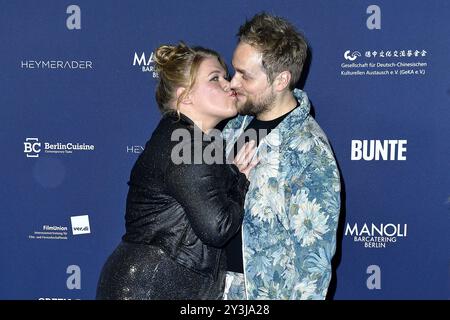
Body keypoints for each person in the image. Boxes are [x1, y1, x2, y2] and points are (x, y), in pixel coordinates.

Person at [96, 42, 257, 300]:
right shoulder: (187, 144)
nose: (229, 84)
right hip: (148, 289)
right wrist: (240, 183)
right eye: (215, 78)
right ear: (186, 96)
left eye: (225, 76)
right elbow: (217, 228)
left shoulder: (183, 138)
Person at [222, 13, 341, 300]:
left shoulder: (308, 150)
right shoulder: (232, 127)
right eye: (233, 70)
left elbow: (312, 268)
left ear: (281, 80)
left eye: (245, 75)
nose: (231, 82)